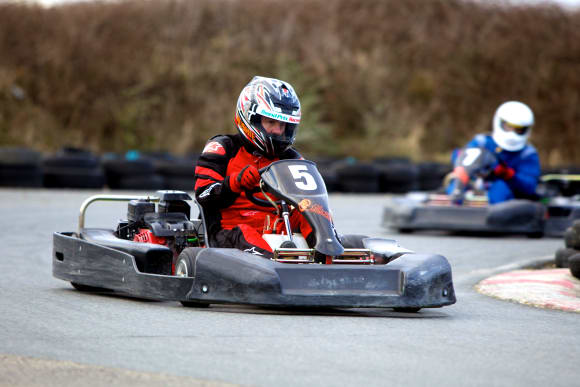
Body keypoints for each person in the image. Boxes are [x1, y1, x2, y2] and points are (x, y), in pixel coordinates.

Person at [193, 76, 314, 257]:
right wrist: (236, 183)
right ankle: (275, 266)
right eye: (271, 122)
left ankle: (329, 256)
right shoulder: (223, 148)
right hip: (229, 232)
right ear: (251, 118)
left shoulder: (291, 158)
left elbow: (309, 200)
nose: (277, 131)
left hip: (277, 230)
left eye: (282, 125)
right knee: (245, 233)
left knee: (310, 211)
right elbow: (203, 194)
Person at [446, 100, 541, 204]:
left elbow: (529, 187)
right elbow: (460, 158)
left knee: (500, 187)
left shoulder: (527, 154)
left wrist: (506, 173)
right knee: (456, 184)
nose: (512, 133)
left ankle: (492, 213)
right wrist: (467, 161)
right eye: (508, 127)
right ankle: (453, 207)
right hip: (475, 183)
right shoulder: (482, 143)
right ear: (499, 122)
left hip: (507, 195)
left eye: (518, 129)